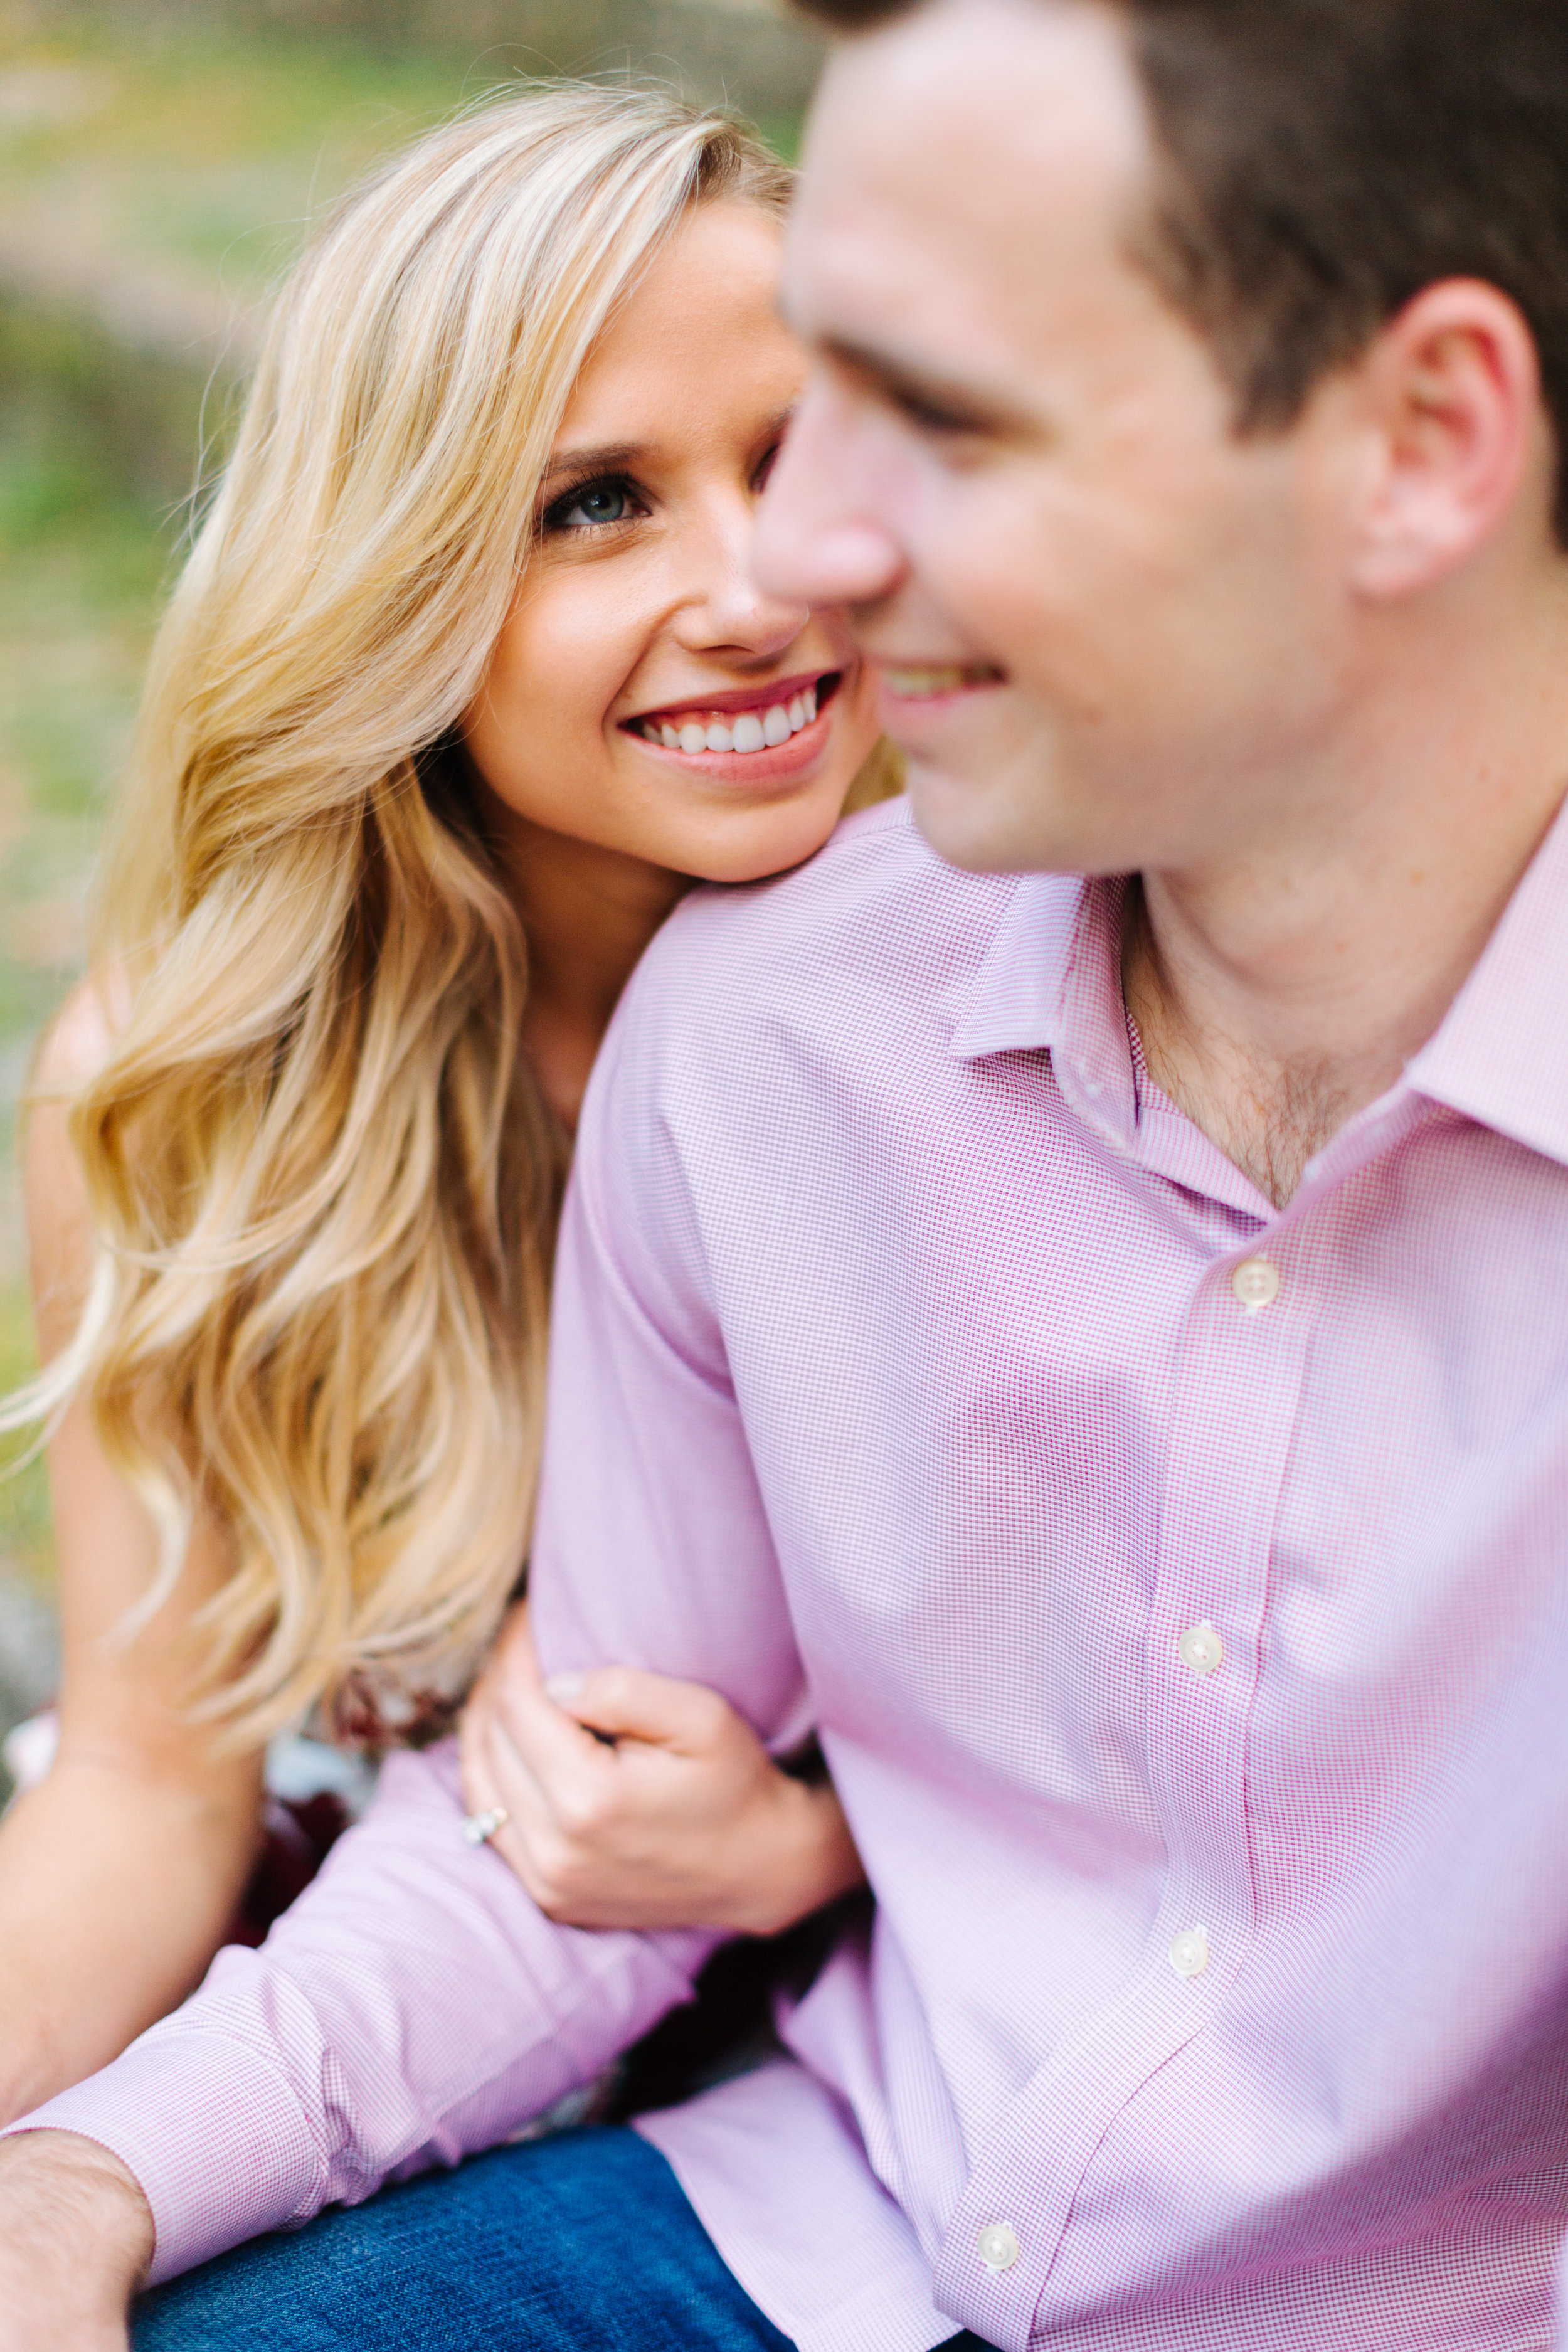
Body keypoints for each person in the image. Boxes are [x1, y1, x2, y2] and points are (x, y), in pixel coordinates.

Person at [10, 0, 1568, 2344]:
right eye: (595, 498)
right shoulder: (691, 1045)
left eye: (895, 423)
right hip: (736, 2120)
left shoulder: (895, 896)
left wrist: (812, 1853)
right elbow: (200, 1779)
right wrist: (74, 2171)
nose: (798, 568)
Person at [0, 83, 886, 2133]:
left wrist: (811, 1851)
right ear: (398, 582)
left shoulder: (1048, 971)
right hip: (371, 1955)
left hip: (884, 2036)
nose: (753, 585)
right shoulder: (204, 1083)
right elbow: (152, 1771)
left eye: (801, 457)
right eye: (594, 503)